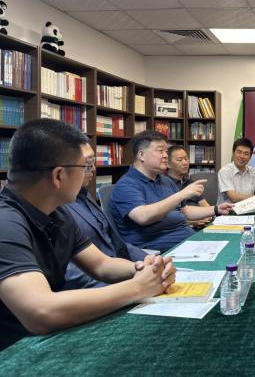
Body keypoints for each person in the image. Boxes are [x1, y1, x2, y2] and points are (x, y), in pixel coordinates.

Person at [0, 119, 175, 351]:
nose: (90, 172)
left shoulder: (57, 212)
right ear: (59, 176)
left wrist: (146, 269)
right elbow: (41, 311)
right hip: (15, 351)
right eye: (86, 166)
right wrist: (138, 288)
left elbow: (101, 265)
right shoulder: (5, 222)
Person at [111, 131, 232, 252]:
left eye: (166, 151)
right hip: (155, 249)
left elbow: (185, 211)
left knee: (231, 244)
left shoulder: (164, 180)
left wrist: (216, 209)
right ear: (141, 155)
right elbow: (142, 216)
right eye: (160, 151)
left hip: (187, 239)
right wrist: (182, 194)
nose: (165, 155)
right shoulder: (126, 185)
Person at [63, 144, 148, 290]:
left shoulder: (83, 194)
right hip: (98, 288)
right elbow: (71, 272)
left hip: (118, 271)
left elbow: (115, 243)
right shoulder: (55, 206)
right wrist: (131, 283)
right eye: (87, 164)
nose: (93, 169)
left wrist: (147, 261)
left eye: (93, 163)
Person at [218, 137, 255, 203]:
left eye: (246, 154)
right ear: (233, 153)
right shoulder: (224, 171)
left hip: (249, 208)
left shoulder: (252, 171)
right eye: (239, 152)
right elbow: (233, 197)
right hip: (229, 209)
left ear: (250, 157)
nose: (242, 156)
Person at [166, 145, 212, 228]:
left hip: (202, 221)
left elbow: (204, 203)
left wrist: (213, 212)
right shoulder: (165, 184)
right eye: (179, 160)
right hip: (184, 225)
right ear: (168, 164)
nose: (185, 163)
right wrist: (194, 222)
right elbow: (171, 216)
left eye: (186, 159)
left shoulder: (189, 181)